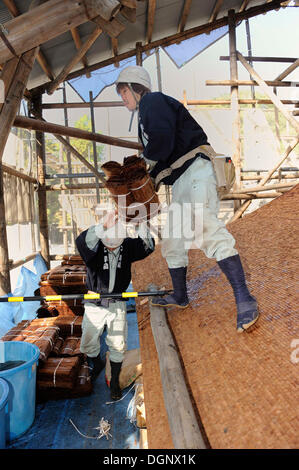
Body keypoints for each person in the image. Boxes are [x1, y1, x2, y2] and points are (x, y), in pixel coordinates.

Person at [115, 65, 259, 333]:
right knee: (172, 238)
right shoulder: (144, 115)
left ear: (137, 88)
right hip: (182, 179)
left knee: (204, 227)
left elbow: (162, 141)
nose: (122, 97)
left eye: (124, 91)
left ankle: (245, 298)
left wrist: (141, 165)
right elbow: (162, 153)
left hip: (196, 171)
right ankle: (180, 295)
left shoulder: (152, 101)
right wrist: (146, 179)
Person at [76, 210, 155, 399]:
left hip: (117, 301)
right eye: (108, 246)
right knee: (88, 339)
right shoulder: (95, 246)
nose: (111, 249)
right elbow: (81, 242)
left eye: (115, 246)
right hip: (95, 301)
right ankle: (97, 363)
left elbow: (148, 246)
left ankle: (115, 383)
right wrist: (102, 225)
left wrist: (139, 223)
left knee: (118, 343)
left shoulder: (127, 246)